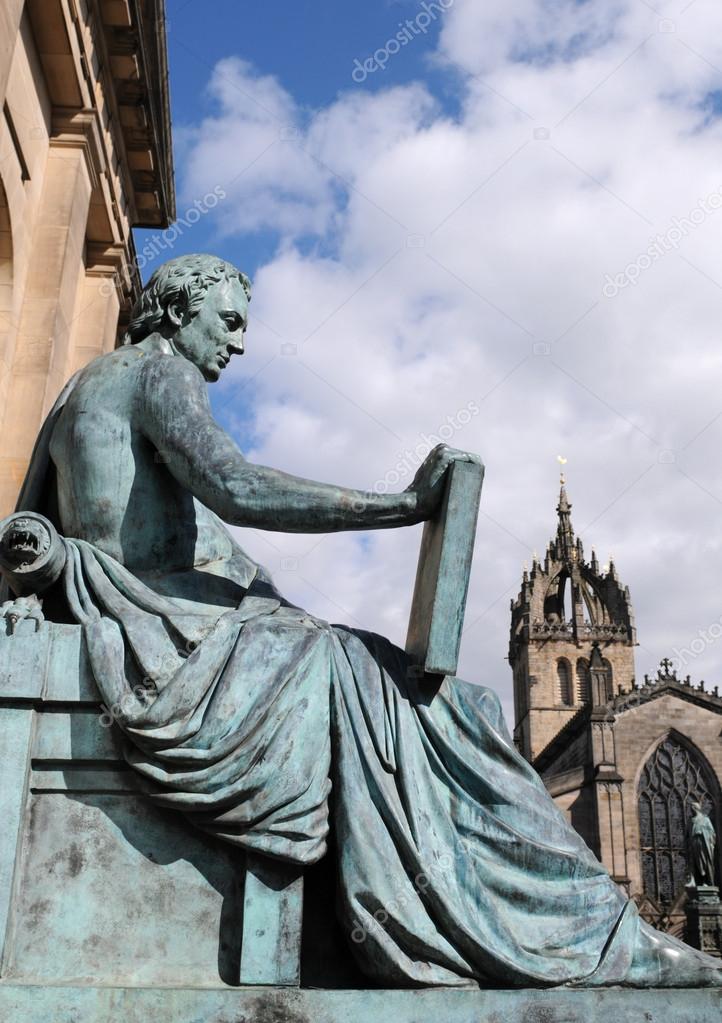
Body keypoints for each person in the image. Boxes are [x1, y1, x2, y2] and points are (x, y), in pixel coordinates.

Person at [4, 254, 721, 989]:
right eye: (228, 322)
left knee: (428, 696)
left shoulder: (76, 388)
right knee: (426, 705)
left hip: (146, 612)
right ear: (179, 312)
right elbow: (236, 485)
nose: (239, 344)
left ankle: (583, 925)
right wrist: (402, 505)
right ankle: (587, 938)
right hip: (165, 626)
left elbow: (29, 519)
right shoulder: (162, 372)